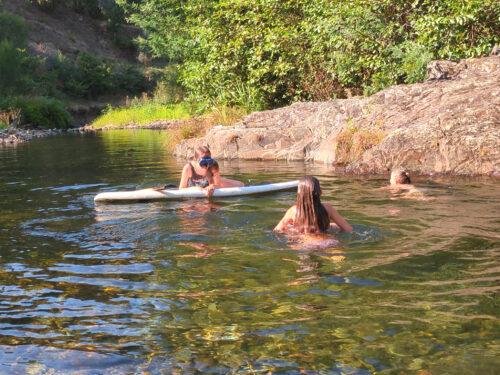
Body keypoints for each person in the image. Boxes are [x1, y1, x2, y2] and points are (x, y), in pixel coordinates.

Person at [274, 176, 353, 233]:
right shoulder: (327, 208)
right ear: (320, 192)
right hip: (327, 242)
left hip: (304, 243)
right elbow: (348, 229)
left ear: (299, 194)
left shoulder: (294, 211)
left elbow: (277, 230)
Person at [179, 146, 243, 196]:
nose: (206, 166)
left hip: (210, 184)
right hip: (193, 187)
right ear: (196, 160)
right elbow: (181, 189)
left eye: (208, 162)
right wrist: (194, 188)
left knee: (241, 185)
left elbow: (217, 184)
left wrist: (213, 186)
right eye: (203, 163)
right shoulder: (188, 168)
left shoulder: (213, 165)